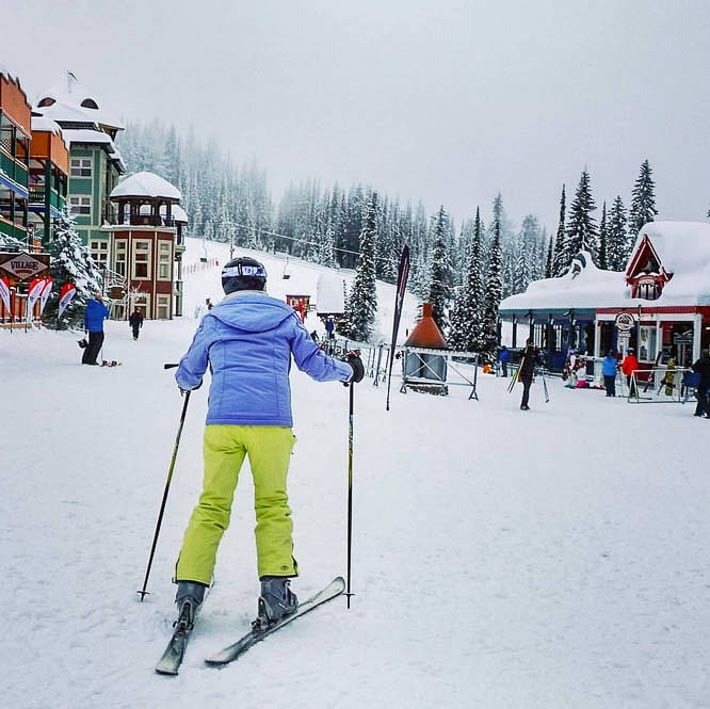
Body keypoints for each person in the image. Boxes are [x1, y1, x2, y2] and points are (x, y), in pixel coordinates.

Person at [171, 256, 364, 634]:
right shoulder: (285, 317)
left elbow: (190, 369)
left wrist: (186, 381)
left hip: (223, 424)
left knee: (212, 505)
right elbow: (315, 364)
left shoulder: (214, 319)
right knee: (272, 504)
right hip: (272, 425)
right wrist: (349, 371)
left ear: (227, 287)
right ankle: (275, 593)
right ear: (262, 284)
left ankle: (189, 593)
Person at [82, 293, 109, 365]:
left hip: (91, 329)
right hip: (98, 328)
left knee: (91, 343)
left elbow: (86, 317)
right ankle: (92, 359)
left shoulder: (89, 306)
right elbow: (106, 313)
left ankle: (85, 359)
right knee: (97, 344)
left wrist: (86, 327)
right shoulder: (99, 306)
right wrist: (102, 304)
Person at [518, 338, 540, 410]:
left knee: (527, 389)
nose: (531, 345)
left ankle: (525, 403)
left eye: (532, 343)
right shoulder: (525, 351)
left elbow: (538, 361)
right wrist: (521, 355)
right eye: (530, 343)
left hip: (530, 373)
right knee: (526, 388)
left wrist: (538, 356)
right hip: (524, 373)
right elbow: (518, 357)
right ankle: (523, 404)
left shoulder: (533, 352)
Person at [691, 350, 710, 417]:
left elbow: (694, 368)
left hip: (703, 380)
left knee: (701, 396)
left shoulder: (700, 361)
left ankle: (705, 411)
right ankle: (699, 411)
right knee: (703, 396)